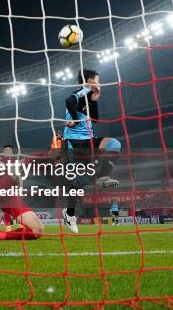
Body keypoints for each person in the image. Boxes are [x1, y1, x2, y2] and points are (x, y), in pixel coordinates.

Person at [61, 69, 122, 234]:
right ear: (88, 81)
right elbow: (68, 100)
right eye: (97, 80)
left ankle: (103, 176)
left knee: (114, 144)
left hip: (89, 141)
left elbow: (95, 119)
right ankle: (69, 213)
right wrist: (73, 117)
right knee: (80, 180)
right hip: (73, 142)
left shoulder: (89, 97)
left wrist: (95, 99)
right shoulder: (82, 92)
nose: (99, 83)